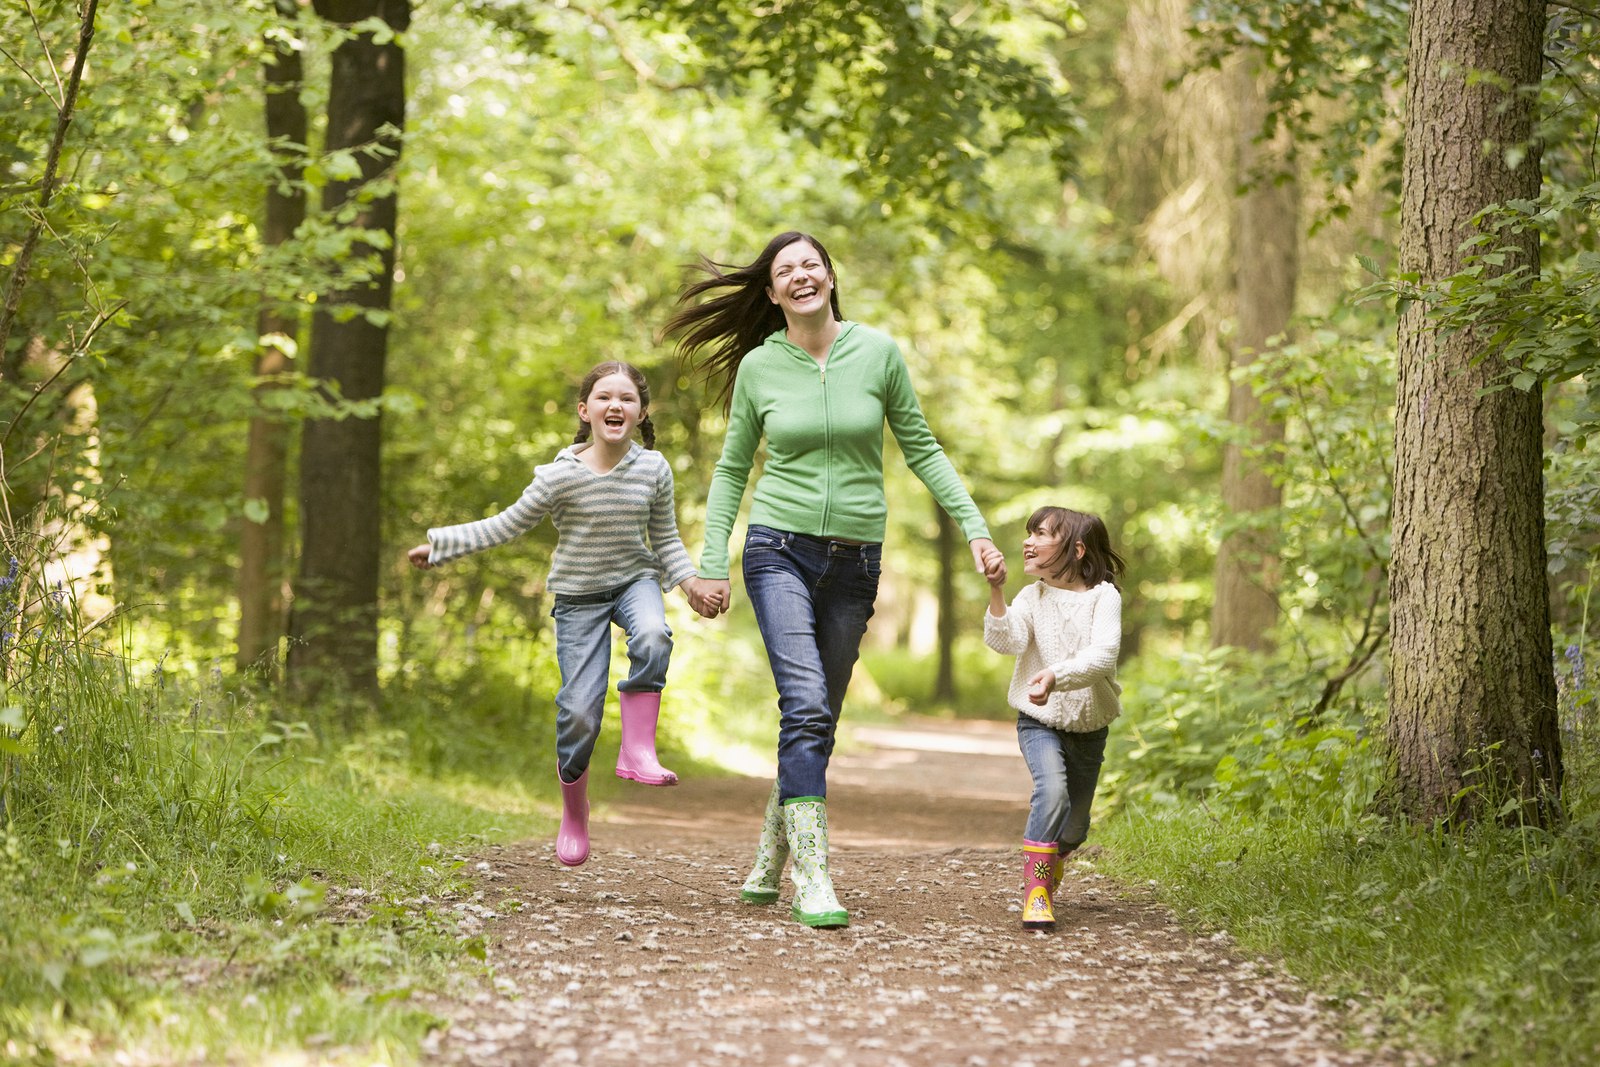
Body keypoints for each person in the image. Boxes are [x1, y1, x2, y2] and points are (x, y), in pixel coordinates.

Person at [663, 230, 1006, 928]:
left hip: (856, 559)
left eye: (809, 265)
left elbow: (921, 445)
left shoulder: (877, 352)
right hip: (777, 549)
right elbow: (732, 468)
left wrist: (975, 526)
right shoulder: (762, 366)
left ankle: (769, 853)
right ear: (771, 292)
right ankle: (813, 878)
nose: (799, 277)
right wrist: (710, 562)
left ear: (829, 276)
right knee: (808, 703)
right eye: (784, 270)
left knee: (817, 718)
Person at [406, 361, 724, 868]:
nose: (615, 405)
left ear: (641, 413)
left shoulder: (653, 469)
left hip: (634, 582)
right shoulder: (558, 477)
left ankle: (637, 751)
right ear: (585, 410)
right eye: (603, 397)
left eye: (626, 398)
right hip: (578, 597)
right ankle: (574, 812)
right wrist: (440, 546)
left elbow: (664, 540)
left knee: (654, 635)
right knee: (579, 712)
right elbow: (504, 526)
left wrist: (689, 586)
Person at [982, 505, 1126, 931]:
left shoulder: (1105, 597)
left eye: (1040, 533)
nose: (1028, 541)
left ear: (1076, 549)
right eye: (1029, 533)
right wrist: (996, 593)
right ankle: (1037, 893)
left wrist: (1055, 675)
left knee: (1075, 828)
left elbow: (1102, 656)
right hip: (1038, 720)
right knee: (1053, 792)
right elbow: (1006, 642)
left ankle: (1053, 858)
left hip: (1089, 727)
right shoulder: (1032, 596)